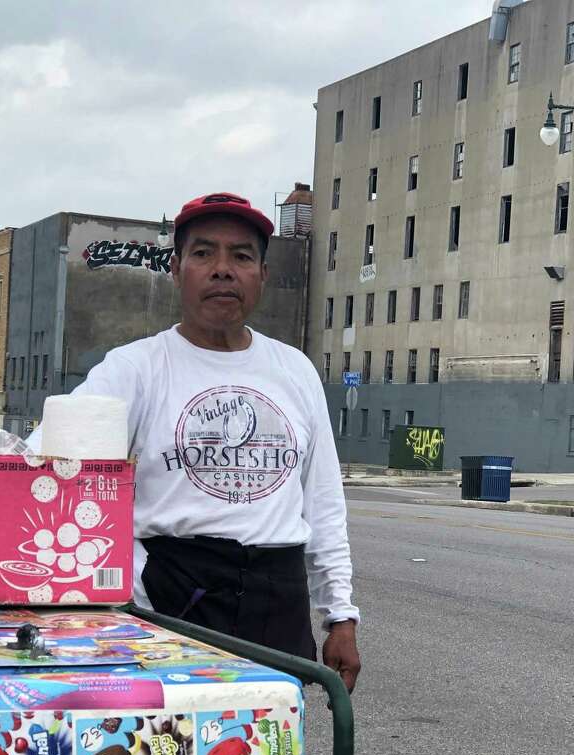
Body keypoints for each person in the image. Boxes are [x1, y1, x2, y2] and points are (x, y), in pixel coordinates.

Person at [28, 192, 360, 691]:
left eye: (242, 256)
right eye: (204, 253)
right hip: (173, 601)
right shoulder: (134, 368)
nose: (222, 269)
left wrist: (340, 616)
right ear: (176, 268)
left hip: (277, 598)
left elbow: (324, 504)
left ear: (262, 276)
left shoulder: (295, 371)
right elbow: (43, 463)